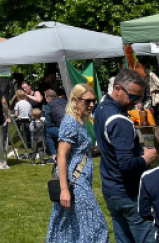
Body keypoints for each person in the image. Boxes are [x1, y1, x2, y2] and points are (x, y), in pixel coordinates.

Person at [94, 68, 158, 243]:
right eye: (132, 96)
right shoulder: (120, 121)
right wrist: (147, 157)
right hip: (128, 193)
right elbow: (126, 164)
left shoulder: (101, 108)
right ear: (117, 89)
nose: (135, 102)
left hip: (111, 189)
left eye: (139, 98)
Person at [46, 84, 109, 243]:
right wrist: (64, 190)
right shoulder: (70, 122)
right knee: (96, 227)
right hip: (76, 184)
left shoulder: (79, 122)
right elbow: (61, 155)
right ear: (75, 101)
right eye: (87, 101)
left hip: (79, 183)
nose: (92, 105)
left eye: (94, 101)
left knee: (70, 229)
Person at [44, 89, 67, 163]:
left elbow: (48, 123)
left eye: (46, 99)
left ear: (49, 98)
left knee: (47, 131)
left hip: (63, 129)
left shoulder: (48, 106)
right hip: (74, 127)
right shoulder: (64, 101)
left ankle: (54, 155)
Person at [14, 89, 33, 155]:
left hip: (20, 120)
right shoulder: (28, 103)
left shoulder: (18, 103)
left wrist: (15, 116)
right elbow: (31, 113)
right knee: (27, 134)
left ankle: (16, 150)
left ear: (17, 97)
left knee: (18, 135)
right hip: (27, 120)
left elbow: (16, 114)